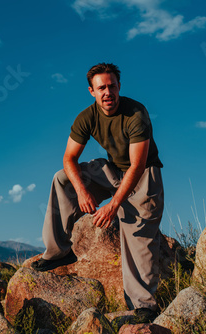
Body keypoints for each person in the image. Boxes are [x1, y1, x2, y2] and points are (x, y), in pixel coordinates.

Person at [32, 62, 164, 322]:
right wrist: (82, 191)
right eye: (101, 87)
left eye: (112, 86)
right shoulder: (87, 117)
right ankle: (59, 251)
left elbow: (137, 165)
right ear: (91, 91)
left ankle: (144, 306)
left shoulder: (136, 112)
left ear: (119, 87)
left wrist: (114, 205)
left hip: (143, 175)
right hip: (114, 170)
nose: (107, 92)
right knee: (63, 179)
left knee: (136, 233)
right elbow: (69, 158)